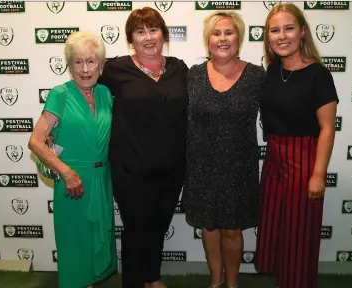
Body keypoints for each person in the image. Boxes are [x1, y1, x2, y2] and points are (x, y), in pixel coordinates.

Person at [97, 7, 189, 288]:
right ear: (130, 39)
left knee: (159, 225)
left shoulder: (179, 68)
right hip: (130, 167)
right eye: (140, 31)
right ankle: (135, 282)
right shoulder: (116, 69)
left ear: (164, 34)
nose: (148, 37)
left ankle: (152, 276)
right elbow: (87, 91)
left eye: (153, 30)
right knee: (137, 227)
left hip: (172, 167)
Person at [255, 3, 339, 288]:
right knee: (278, 228)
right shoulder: (272, 71)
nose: (282, 36)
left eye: (289, 28)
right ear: (268, 37)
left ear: (302, 32)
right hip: (275, 157)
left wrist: (318, 174)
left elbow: (327, 128)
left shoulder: (318, 75)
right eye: (274, 30)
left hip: (304, 158)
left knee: (299, 234)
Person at [182, 11, 265, 288]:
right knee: (209, 228)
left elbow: (281, 111)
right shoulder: (192, 76)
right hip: (201, 166)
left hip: (239, 167)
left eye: (229, 33)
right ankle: (215, 282)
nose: (222, 39)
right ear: (208, 40)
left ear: (239, 37)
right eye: (216, 34)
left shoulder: (256, 76)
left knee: (232, 230)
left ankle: (232, 283)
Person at [28, 31, 117, 288]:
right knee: (75, 243)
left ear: (101, 66)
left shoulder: (105, 94)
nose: (85, 69)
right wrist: (67, 173)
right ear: (70, 66)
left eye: (91, 61)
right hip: (72, 183)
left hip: (101, 179)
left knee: (96, 240)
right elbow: (36, 141)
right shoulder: (61, 94)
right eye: (78, 62)